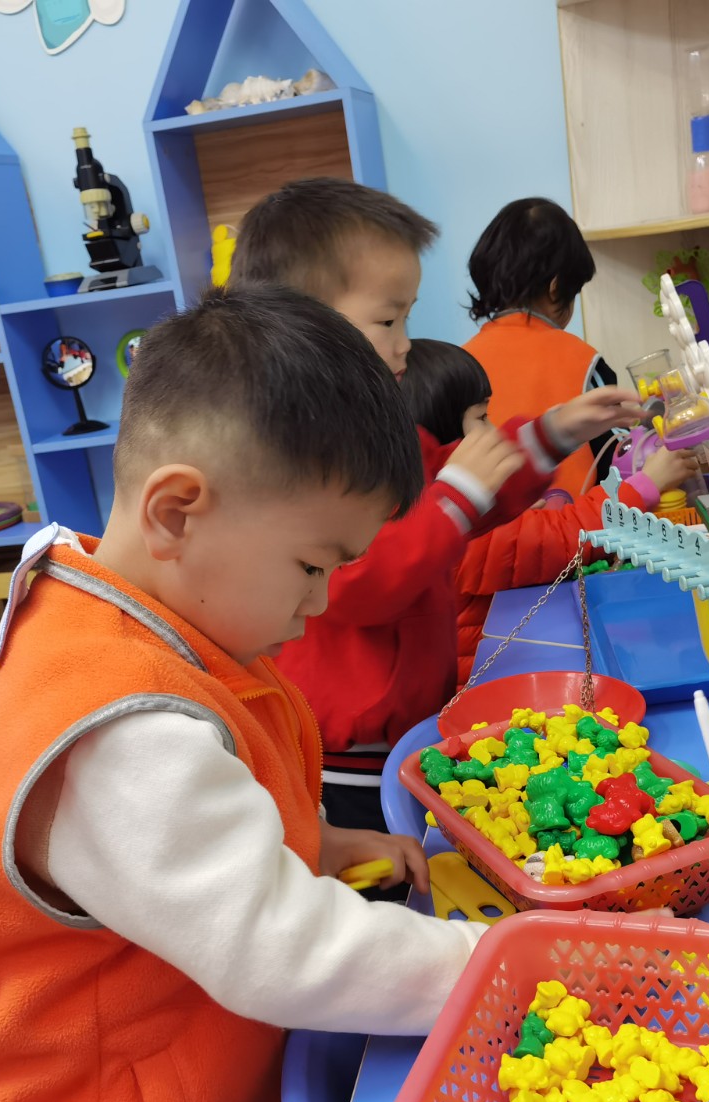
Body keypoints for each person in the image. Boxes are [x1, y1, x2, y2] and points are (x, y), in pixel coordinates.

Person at [0, 288, 487, 1102]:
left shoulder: (136, 611)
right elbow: (282, 949)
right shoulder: (125, 732)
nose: (321, 602)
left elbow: (183, 838)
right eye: (312, 565)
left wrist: (319, 843)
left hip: (159, 1084)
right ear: (175, 512)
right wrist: (494, 962)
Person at [229, 178, 640, 832]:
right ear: (303, 325)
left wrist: (552, 431)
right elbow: (357, 582)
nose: (403, 343)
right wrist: (456, 497)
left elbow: (464, 477)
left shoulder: (378, 432)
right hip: (347, 757)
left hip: (407, 724)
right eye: (386, 321)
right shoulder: (296, 460)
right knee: (384, 866)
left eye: (407, 319)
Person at [394, 339, 694, 684]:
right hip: (482, 684)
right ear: (444, 438)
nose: (493, 430)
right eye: (481, 417)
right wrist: (645, 486)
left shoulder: (433, 506)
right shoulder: (457, 521)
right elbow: (565, 537)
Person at [463, 196, 631, 498]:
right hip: (575, 524)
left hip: (491, 527)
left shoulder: (459, 363)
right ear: (556, 287)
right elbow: (619, 463)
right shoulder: (584, 361)